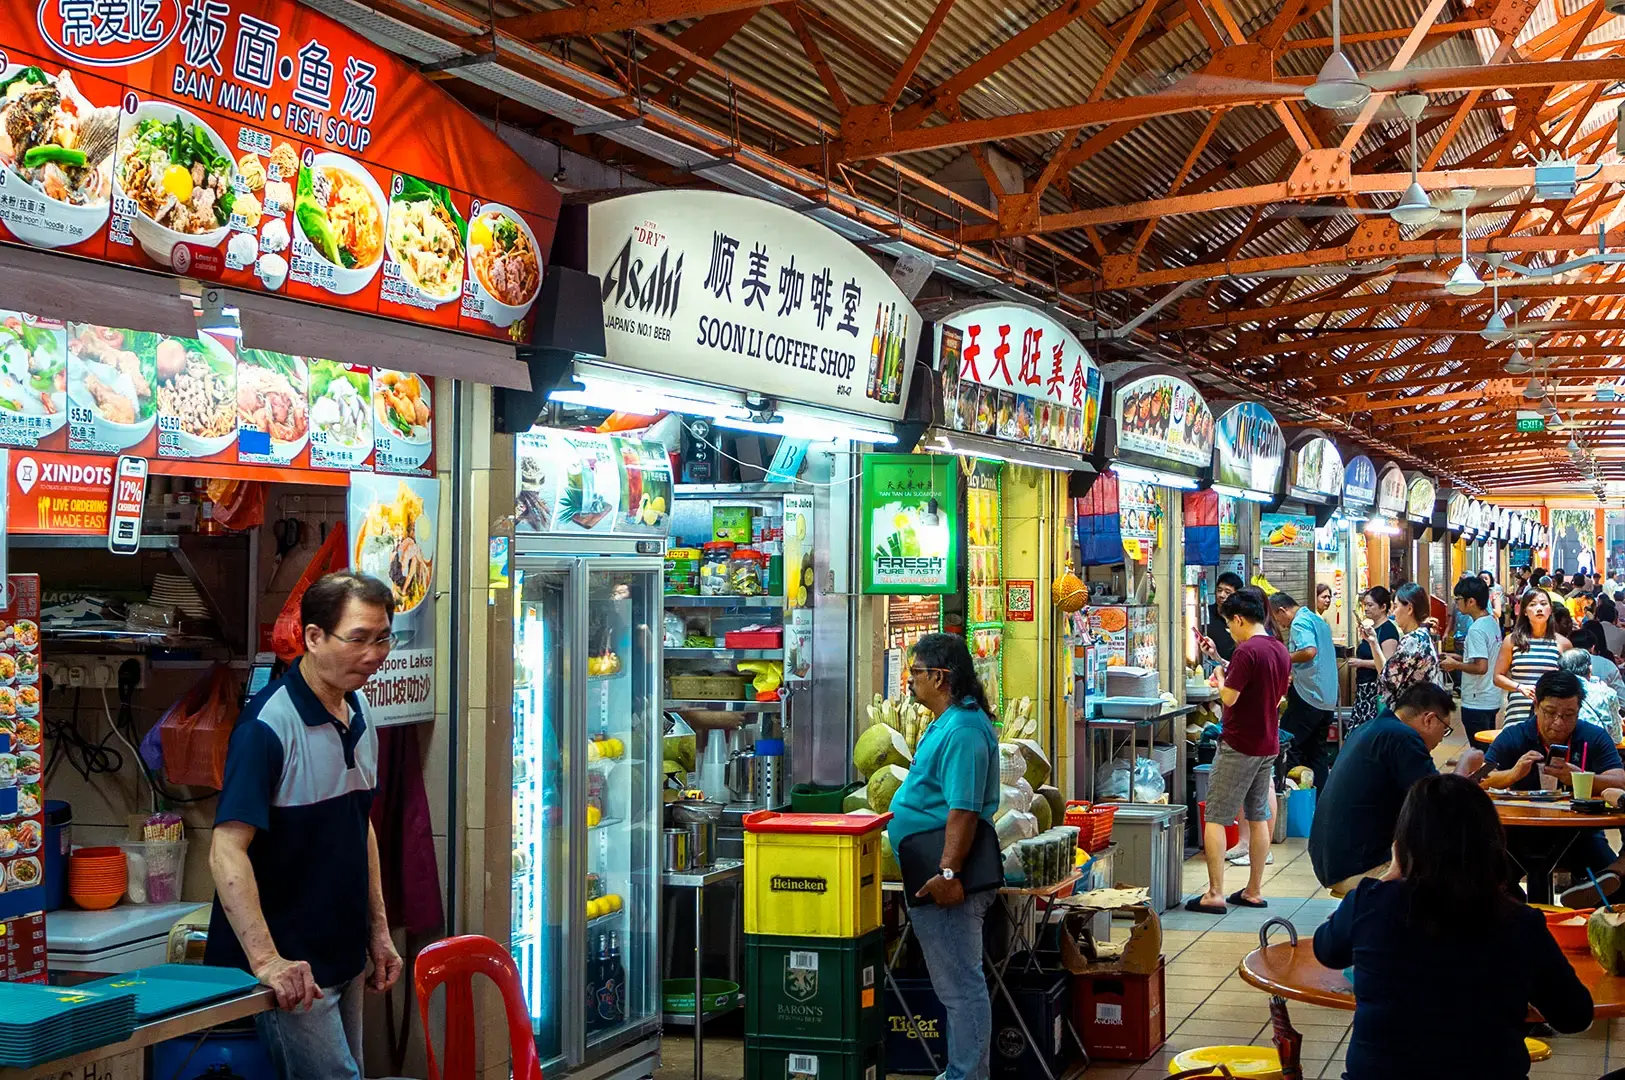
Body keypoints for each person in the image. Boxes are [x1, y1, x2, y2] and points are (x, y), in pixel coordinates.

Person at [207, 572, 402, 1080]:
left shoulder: (360, 710)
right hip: (292, 969)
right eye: (358, 638)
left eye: (383, 637)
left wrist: (377, 931)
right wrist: (269, 962)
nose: (374, 653)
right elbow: (226, 850)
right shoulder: (267, 727)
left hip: (343, 951)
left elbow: (360, 825)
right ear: (313, 637)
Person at [1313, 774, 1593, 1080]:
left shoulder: (1371, 903)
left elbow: (1327, 949)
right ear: (1493, 842)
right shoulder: (1520, 922)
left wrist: (1391, 875)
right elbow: (1575, 1016)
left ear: (1404, 842)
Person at [885, 633, 1001, 1080]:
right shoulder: (948, 720)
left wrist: (948, 872)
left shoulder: (966, 731)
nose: (909, 679)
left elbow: (964, 811)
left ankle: (966, 1074)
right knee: (955, 984)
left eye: (915, 671)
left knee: (961, 988)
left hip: (949, 877)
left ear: (940, 676)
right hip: (929, 866)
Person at [1309, 683, 1482, 897]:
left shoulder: (1370, 728)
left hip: (1330, 863)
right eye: (1444, 729)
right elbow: (1439, 803)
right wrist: (1464, 765)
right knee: (1459, 867)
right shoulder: (1403, 738)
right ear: (1429, 719)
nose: (1440, 738)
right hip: (1361, 867)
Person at [1191, 589, 1290, 914]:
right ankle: (1253, 890)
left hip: (1239, 744)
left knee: (1217, 817)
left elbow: (1230, 697)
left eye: (1229, 624)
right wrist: (1223, 663)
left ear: (1239, 619)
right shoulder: (1278, 649)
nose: (1230, 631)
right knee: (1258, 814)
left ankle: (1215, 893)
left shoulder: (1248, 651)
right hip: (1267, 743)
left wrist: (1219, 678)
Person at [1484, 670, 1625, 890]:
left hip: (1580, 836)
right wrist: (1512, 774)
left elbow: (1620, 781)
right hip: (1519, 835)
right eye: (1550, 712)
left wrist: (1579, 777)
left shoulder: (1593, 736)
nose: (1558, 722)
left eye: (1569, 714)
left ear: (1579, 711)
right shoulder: (1515, 736)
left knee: (1613, 886)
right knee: (1487, 881)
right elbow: (1482, 779)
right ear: (1536, 706)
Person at [1268, 592, 1338, 792]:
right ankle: (1318, 804)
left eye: (1277, 618)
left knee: (1289, 746)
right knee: (1317, 753)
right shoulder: (1317, 619)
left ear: (1283, 610)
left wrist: (1282, 658)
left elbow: (1309, 651)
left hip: (1309, 697)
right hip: (1327, 699)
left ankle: (1292, 801)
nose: (1280, 625)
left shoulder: (1300, 623)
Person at [1494, 587, 1570, 727]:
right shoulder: (1512, 641)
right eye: (1533, 604)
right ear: (1524, 611)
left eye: (1543, 603)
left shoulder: (1562, 643)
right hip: (1517, 713)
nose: (1539, 609)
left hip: (1550, 716)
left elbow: (1570, 682)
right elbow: (1498, 677)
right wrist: (1519, 687)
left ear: (1551, 609)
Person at [1369, 583, 1441, 719]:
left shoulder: (1413, 640)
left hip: (1412, 716)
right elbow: (1387, 674)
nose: (1393, 612)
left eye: (1396, 607)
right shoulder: (1421, 636)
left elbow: (1387, 681)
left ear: (1409, 608)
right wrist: (1374, 643)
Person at [1443, 575, 1503, 740]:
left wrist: (1455, 665)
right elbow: (1485, 658)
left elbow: (1480, 667)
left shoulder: (1476, 629)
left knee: (1480, 751)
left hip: (1477, 700)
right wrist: (1457, 658)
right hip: (1491, 696)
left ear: (1471, 602)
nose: (1456, 603)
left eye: (1459, 599)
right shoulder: (1491, 622)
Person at [1346, 588, 1400, 731]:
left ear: (1383, 607)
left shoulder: (1388, 630)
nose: (1366, 609)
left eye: (1371, 605)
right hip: (1363, 689)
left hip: (1376, 690)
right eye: (1365, 605)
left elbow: (1387, 664)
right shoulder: (1371, 628)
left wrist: (1361, 663)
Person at [1559, 648, 1620, 739]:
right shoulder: (1605, 692)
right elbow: (1616, 736)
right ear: (1589, 668)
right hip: (1597, 748)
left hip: (1560, 748)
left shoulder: (1553, 691)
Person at [1205, 571, 1245, 662]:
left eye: (1227, 592)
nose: (1221, 595)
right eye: (1219, 590)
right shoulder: (1205, 614)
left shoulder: (1241, 619)